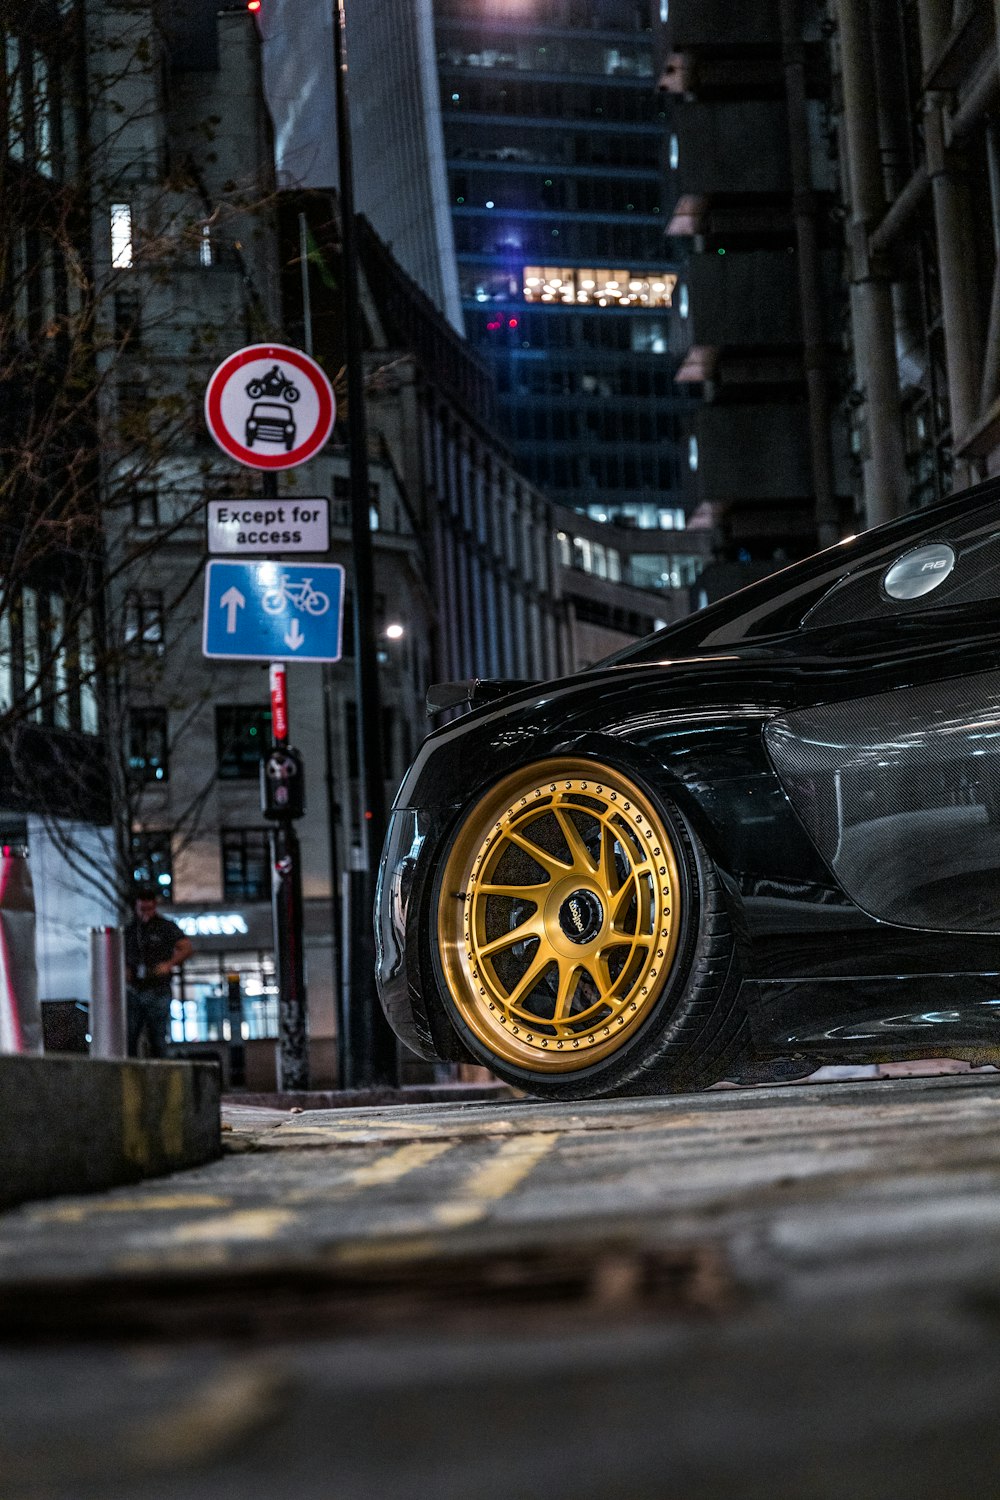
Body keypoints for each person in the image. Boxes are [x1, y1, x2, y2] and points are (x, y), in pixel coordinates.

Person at [124, 885, 193, 1059]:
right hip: (134, 989)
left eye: (148, 908)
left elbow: (186, 948)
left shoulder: (165, 927)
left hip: (158, 989)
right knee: (130, 1036)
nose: (145, 913)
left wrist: (168, 965)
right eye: (142, 909)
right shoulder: (131, 930)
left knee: (158, 1037)